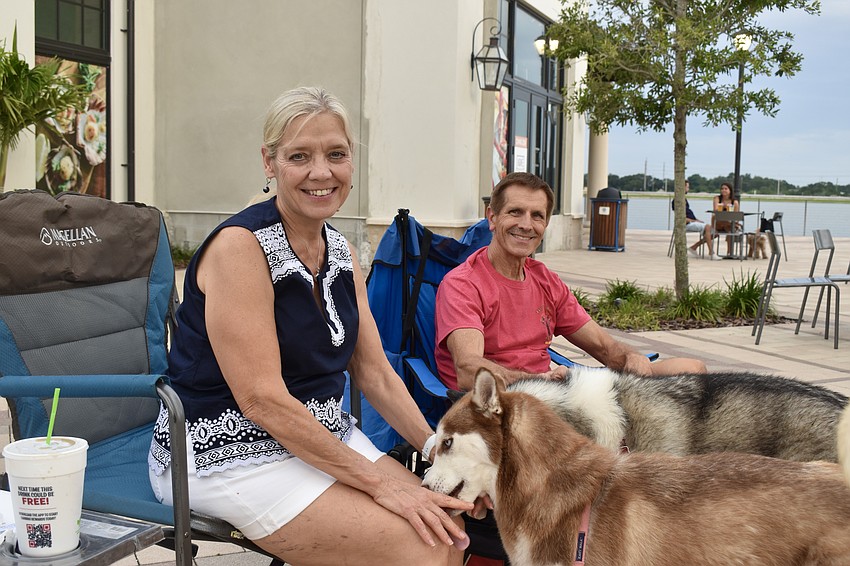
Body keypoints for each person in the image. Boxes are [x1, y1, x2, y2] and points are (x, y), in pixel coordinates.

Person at [148, 87, 471, 566]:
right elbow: (262, 400)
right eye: (300, 156)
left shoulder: (339, 249)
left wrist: (438, 453)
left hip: (320, 435)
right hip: (227, 453)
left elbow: (376, 373)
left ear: (351, 162)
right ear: (270, 162)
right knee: (416, 544)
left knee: (448, 528)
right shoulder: (242, 248)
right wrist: (383, 486)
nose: (322, 172)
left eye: (335, 154)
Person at [435, 172, 707, 392]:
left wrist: (630, 359)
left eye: (537, 215)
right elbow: (468, 371)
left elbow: (603, 348)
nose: (526, 225)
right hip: (500, 406)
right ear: (492, 218)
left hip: (554, 392)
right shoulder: (463, 284)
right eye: (515, 212)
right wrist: (538, 381)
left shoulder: (545, 280)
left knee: (691, 371)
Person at [677, 179, 720, 260]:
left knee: (715, 233)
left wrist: (697, 220)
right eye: (687, 187)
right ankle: (711, 253)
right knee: (708, 227)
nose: (688, 189)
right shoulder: (677, 201)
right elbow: (680, 218)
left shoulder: (684, 200)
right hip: (686, 224)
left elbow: (688, 215)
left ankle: (694, 247)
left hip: (691, 222)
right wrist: (694, 221)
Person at [713, 181, 741, 255]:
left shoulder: (734, 202)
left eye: (726, 189)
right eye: (722, 189)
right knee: (714, 217)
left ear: (730, 190)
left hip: (730, 224)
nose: (723, 190)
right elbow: (715, 211)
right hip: (719, 224)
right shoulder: (717, 198)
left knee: (730, 230)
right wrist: (723, 206)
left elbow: (736, 216)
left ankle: (729, 252)